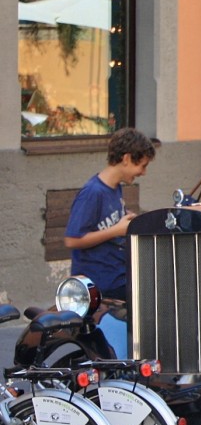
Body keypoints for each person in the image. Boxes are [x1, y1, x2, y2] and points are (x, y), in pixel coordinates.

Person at [64, 127, 155, 301]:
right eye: (142, 166)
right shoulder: (93, 192)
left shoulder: (115, 188)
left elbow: (107, 221)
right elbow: (72, 239)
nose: (143, 173)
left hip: (118, 277)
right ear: (126, 158)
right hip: (101, 286)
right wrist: (116, 230)